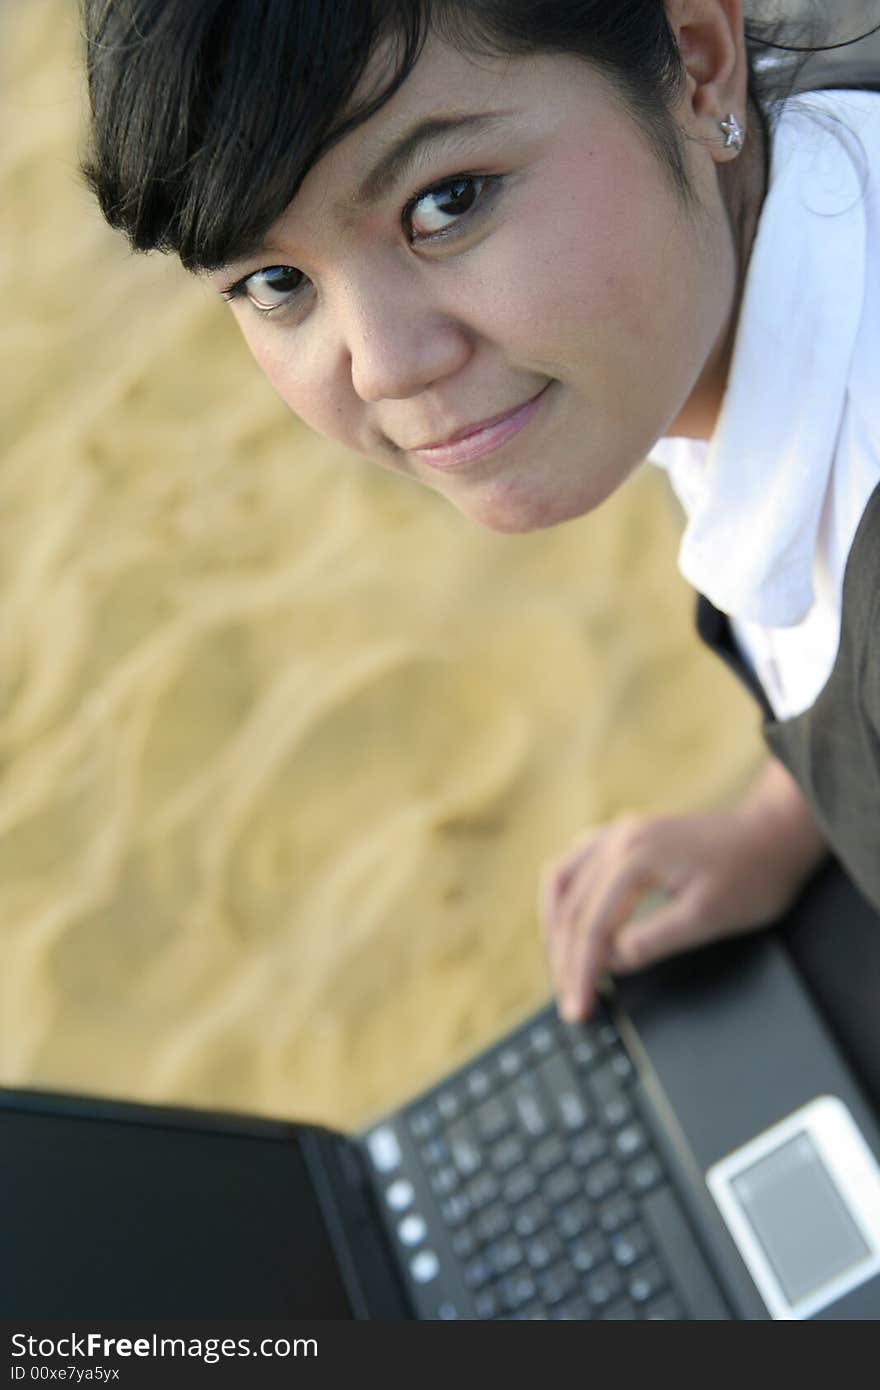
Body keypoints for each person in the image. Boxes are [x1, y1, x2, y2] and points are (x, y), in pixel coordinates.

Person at [79, 2, 880, 1054]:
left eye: (446, 203)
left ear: (696, 59)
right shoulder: (773, 160)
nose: (385, 363)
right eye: (276, 283)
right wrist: (794, 814)